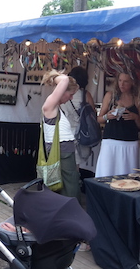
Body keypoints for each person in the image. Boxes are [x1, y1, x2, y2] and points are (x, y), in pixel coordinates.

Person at [40, 70, 81, 201]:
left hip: (64, 154)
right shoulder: (50, 106)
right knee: (70, 192)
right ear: (62, 91)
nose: (71, 98)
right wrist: (56, 77)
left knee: (69, 190)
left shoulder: (56, 108)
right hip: (61, 155)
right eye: (70, 94)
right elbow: (64, 81)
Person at [95, 72, 140, 177]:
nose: (122, 84)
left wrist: (135, 117)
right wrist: (107, 116)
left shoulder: (138, 99)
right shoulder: (110, 96)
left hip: (129, 143)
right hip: (110, 141)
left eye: (126, 81)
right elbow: (99, 119)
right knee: (106, 173)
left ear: (132, 83)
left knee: (128, 176)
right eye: (120, 80)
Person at [59, 66, 96, 166]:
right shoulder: (85, 95)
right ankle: (75, 181)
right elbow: (93, 115)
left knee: (63, 165)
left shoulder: (62, 93)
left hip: (62, 133)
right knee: (75, 166)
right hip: (80, 135)